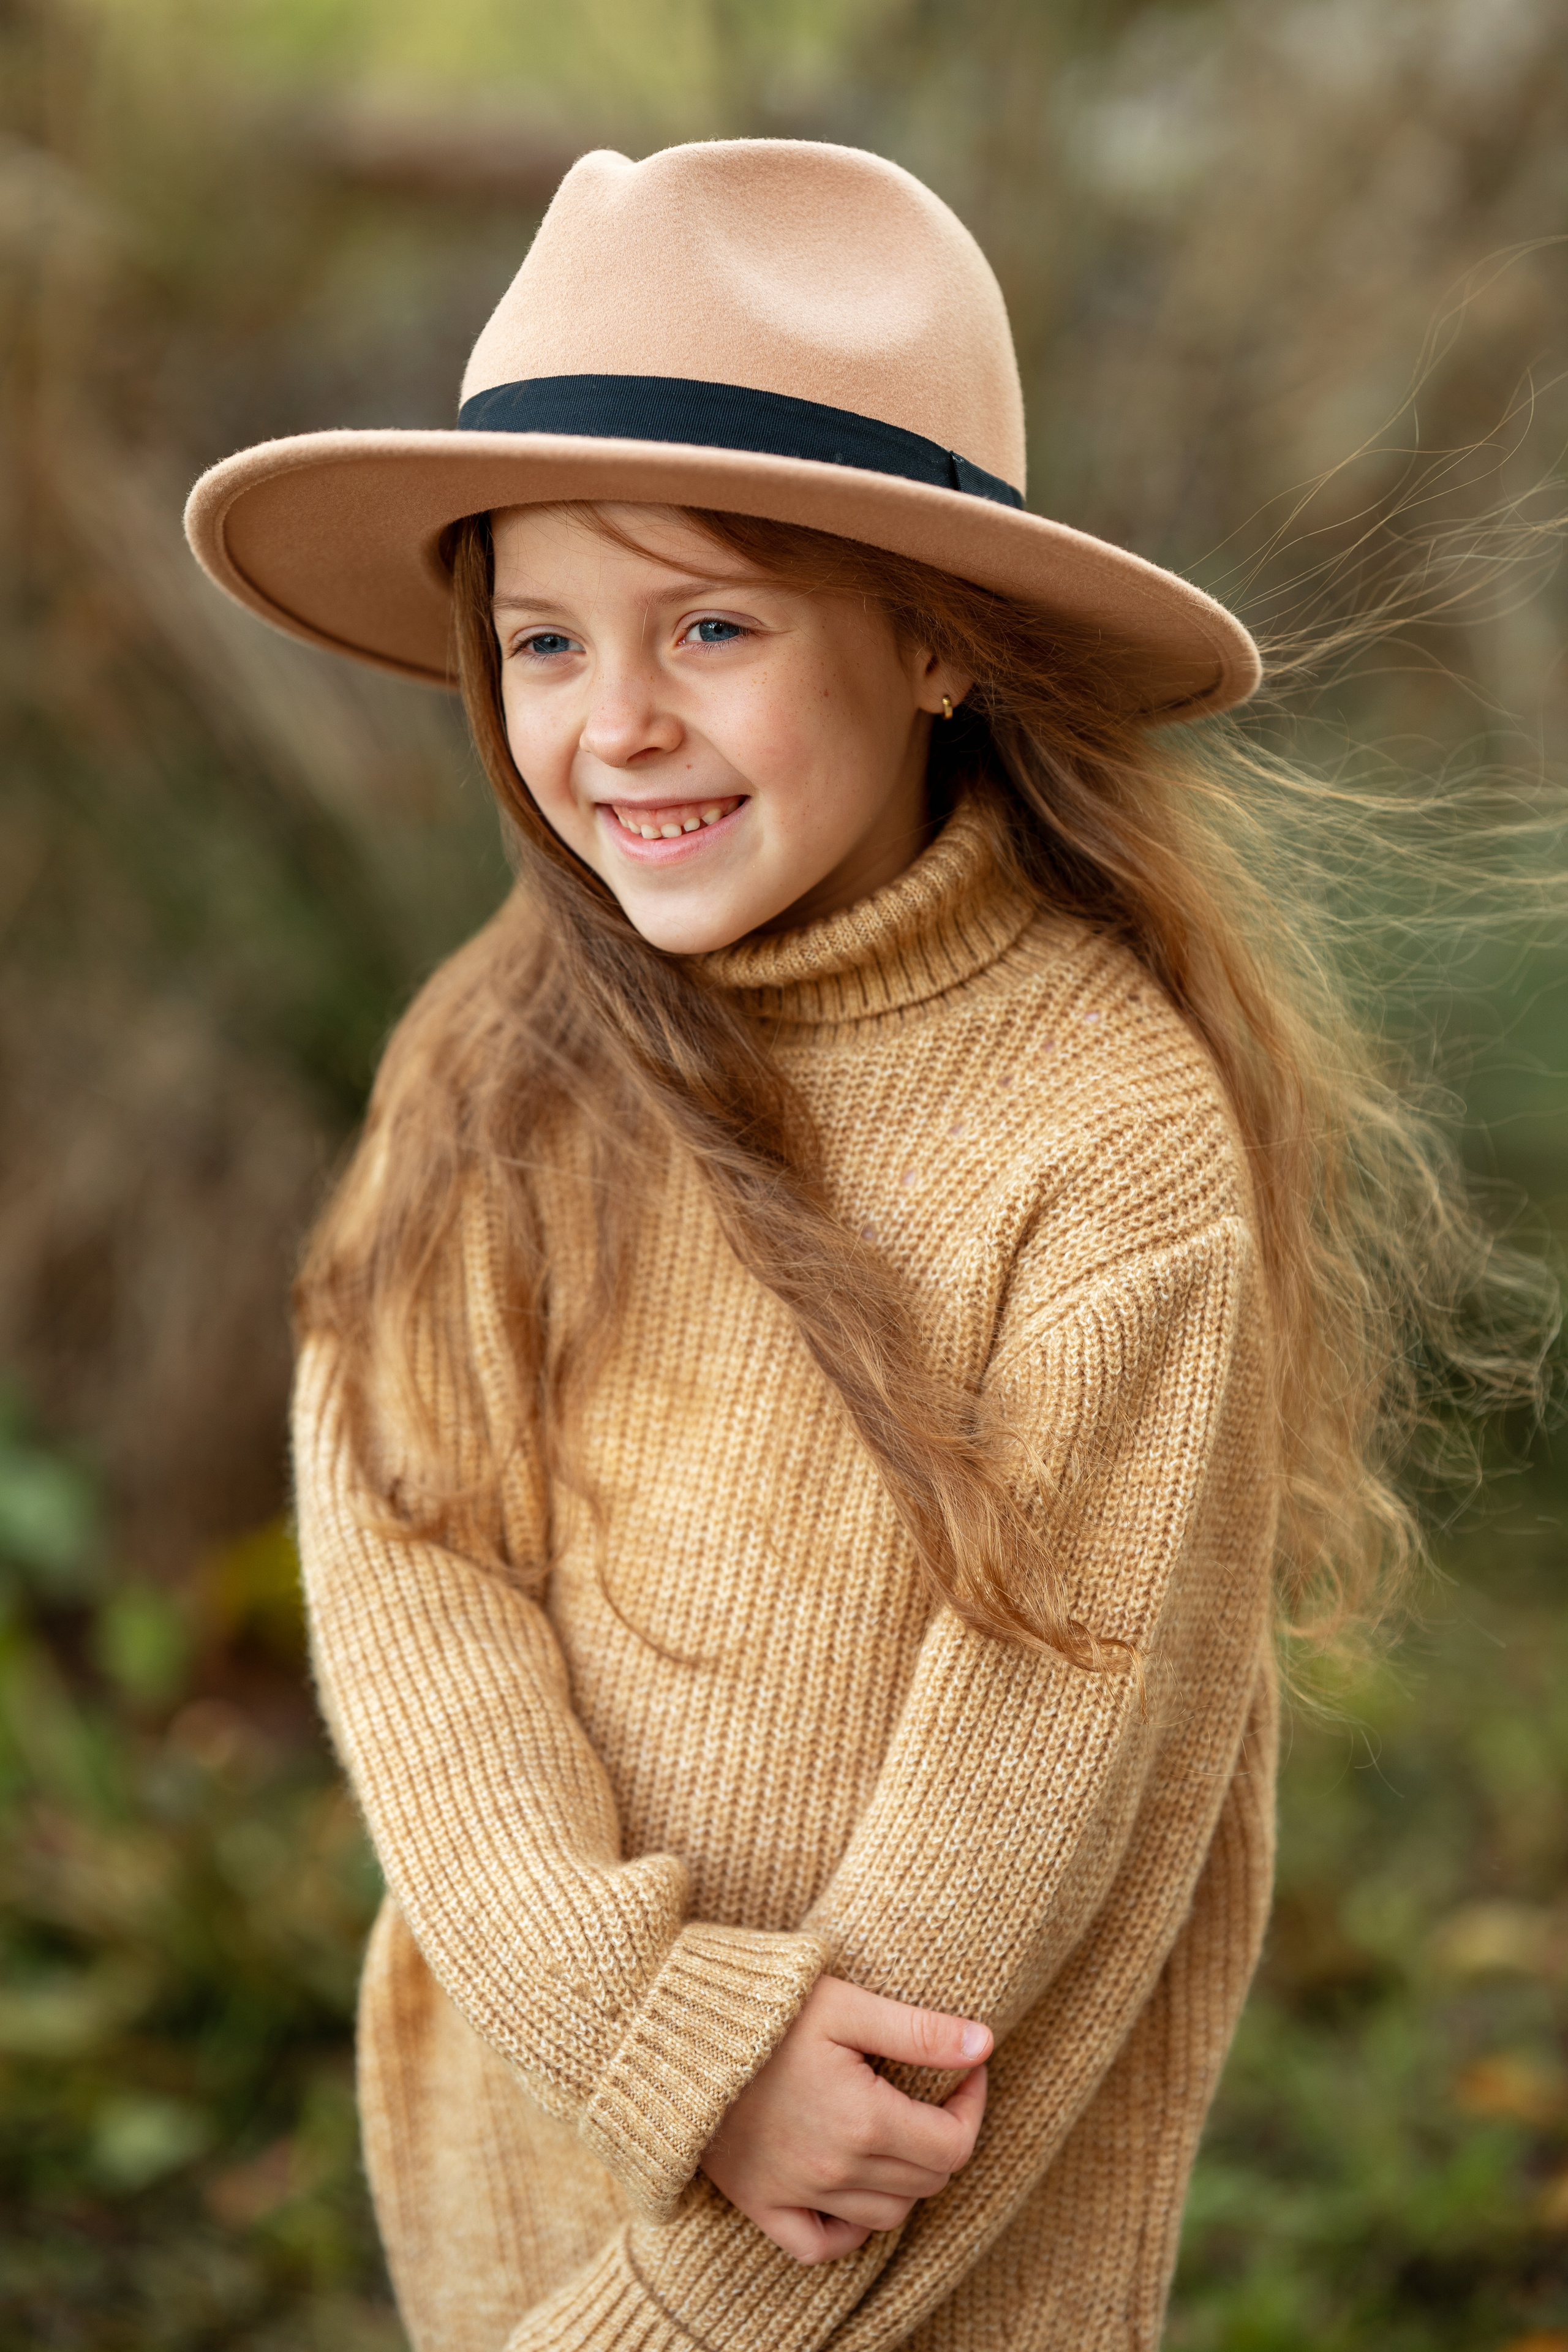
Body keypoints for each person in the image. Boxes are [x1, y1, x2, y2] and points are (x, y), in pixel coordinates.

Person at [184, 139, 1542, 2352]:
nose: (615, 722)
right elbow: (410, 1565)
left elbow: (1031, 1819)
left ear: (932, 641)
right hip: (539, 2133)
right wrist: (639, 2023)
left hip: (898, 2245)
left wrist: (687, 2295)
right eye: (544, 642)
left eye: (710, 625)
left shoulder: (1103, 1139)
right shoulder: (493, 1059)